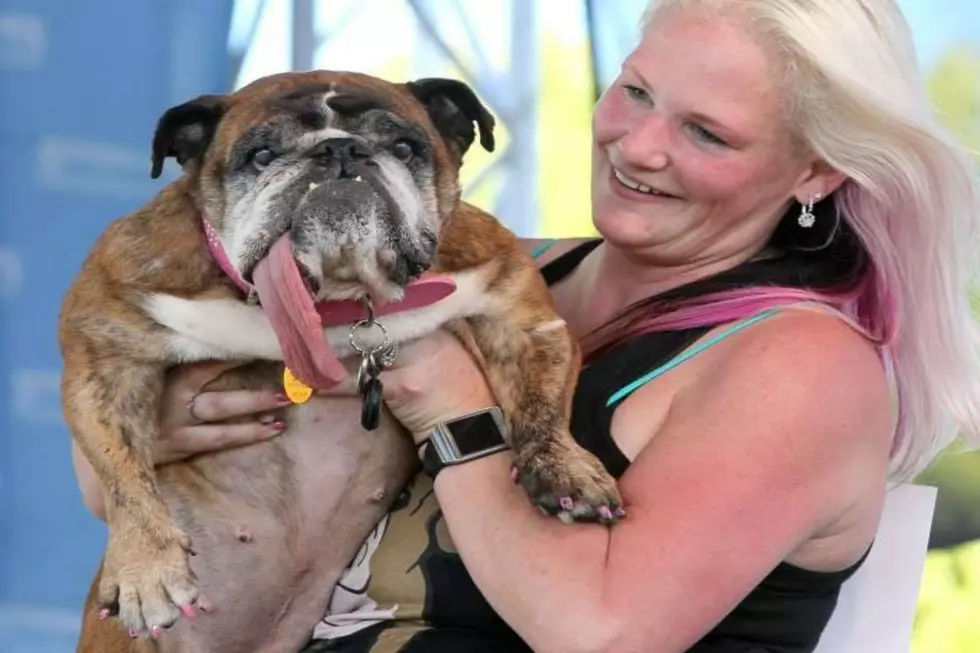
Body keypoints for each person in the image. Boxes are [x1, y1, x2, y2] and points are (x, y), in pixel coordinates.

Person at [73, 0, 980, 651]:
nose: (639, 145)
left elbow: (605, 633)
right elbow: (116, 478)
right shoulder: (505, 266)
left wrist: (456, 410)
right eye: (634, 93)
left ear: (816, 172)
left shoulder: (802, 366)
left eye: (707, 133)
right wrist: (153, 427)